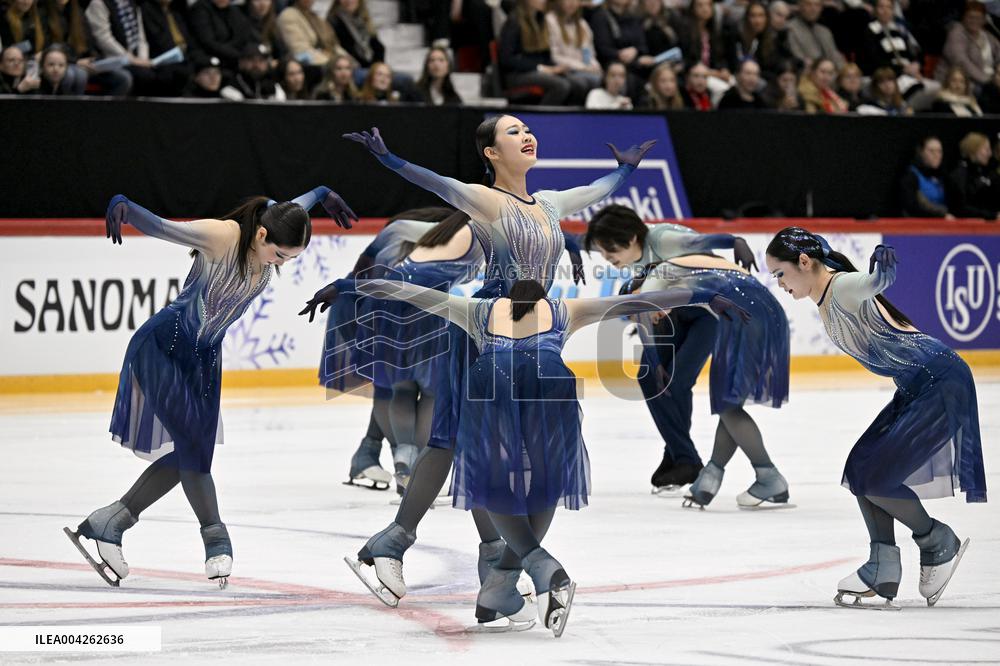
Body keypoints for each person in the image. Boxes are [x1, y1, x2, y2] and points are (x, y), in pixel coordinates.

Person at [331, 116, 653, 619]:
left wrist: (624, 172)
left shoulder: (547, 203)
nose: (526, 135)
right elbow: (434, 182)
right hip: (488, 331)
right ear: (491, 153)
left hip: (534, 332)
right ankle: (416, 551)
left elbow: (593, 190)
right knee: (459, 442)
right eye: (511, 132)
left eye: (526, 128)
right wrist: (389, 160)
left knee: (489, 450)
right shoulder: (486, 201)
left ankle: (482, 574)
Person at [325, 274, 748, 634]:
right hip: (550, 386)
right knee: (547, 478)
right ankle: (519, 574)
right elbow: (636, 301)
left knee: (492, 482)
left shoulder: (477, 311)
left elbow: (404, 292)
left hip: (491, 381)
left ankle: (520, 574)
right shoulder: (565, 310)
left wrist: (348, 286)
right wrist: (704, 297)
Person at [64, 186, 357, 588]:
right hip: (162, 349)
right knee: (194, 453)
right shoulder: (224, 236)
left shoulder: (273, 224)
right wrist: (126, 206)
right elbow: (167, 229)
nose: (282, 263)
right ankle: (216, 538)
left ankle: (110, 521)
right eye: (280, 255)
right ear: (261, 236)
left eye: (291, 258)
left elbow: (291, 207)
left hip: (203, 360)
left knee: (194, 450)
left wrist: (322, 193)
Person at [765, 229, 985, 608]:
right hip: (918, 385)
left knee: (878, 478)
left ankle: (936, 540)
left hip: (940, 381)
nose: (779, 283)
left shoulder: (842, 286)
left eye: (780, 273)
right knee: (861, 468)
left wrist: (883, 273)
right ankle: (882, 563)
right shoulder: (826, 298)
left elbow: (872, 282)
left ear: (803, 262)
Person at [583, 205, 778, 497]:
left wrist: (735, 241)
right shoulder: (636, 260)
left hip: (711, 312)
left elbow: (707, 243)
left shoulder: (664, 239)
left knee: (677, 381)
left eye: (611, 255)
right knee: (649, 377)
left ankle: (682, 457)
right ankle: (679, 455)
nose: (611, 262)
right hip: (677, 312)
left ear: (632, 238)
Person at [935, 1, 1000, 89]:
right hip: (962, 81)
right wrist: (987, 80)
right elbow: (961, 62)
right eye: (970, 17)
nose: (974, 21)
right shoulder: (956, 33)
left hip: (990, 79)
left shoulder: (987, 35)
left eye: (978, 18)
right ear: (963, 18)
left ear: (984, 20)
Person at [546, 0, 602, 93]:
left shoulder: (582, 24)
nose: (572, 3)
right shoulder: (550, 20)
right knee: (583, 83)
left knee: (604, 80)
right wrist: (582, 67)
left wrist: (595, 66)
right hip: (562, 69)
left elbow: (589, 54)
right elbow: (554, 56)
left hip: (583, 69)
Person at [188, 0, 256, 73]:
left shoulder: (233, 10)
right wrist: (239, 56)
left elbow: (245, 34)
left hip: (234, 58)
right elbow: (208, 42)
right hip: (212, 60)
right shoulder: (200, 9)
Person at [899, 136, 954, 218]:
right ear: (920, 152)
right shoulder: (910, 176)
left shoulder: (944, 176)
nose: (936, 155)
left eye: (939, 151)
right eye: (931, 151)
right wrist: (942, 214)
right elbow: (914, 206)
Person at [948, 132, 999, 219]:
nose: (990, 154)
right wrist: (992, 216)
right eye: (986, 149)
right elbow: (960, 208)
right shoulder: (960, 174)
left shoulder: (986, 173)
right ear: (973, 150)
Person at [786, 0, 846, 70]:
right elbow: (798, 59)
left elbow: (836, 59)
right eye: (808, 4)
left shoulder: (825, 31)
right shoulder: (789, 29)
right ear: (800, 6)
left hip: (831, 76)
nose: (813, 9)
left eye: (817, 5)